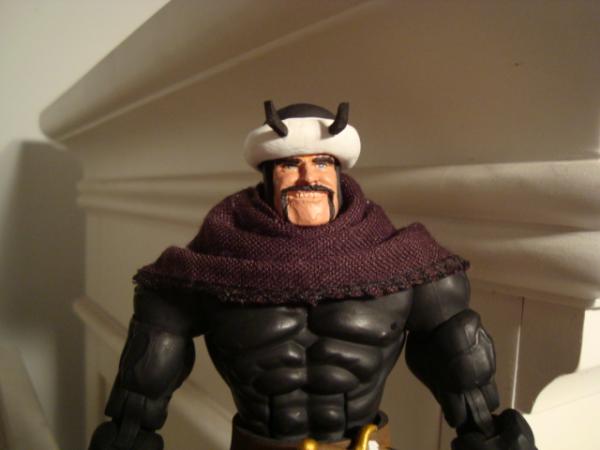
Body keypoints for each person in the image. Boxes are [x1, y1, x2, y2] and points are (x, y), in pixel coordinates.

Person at [89, 102, 537, 450]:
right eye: (290, 164)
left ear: (339, 175)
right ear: (268, 176)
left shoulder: (406, 265)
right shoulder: (207, 269)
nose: (309, 176)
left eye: (322, 163)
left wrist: (489, 437)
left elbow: (467, 382)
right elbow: (142, 393)